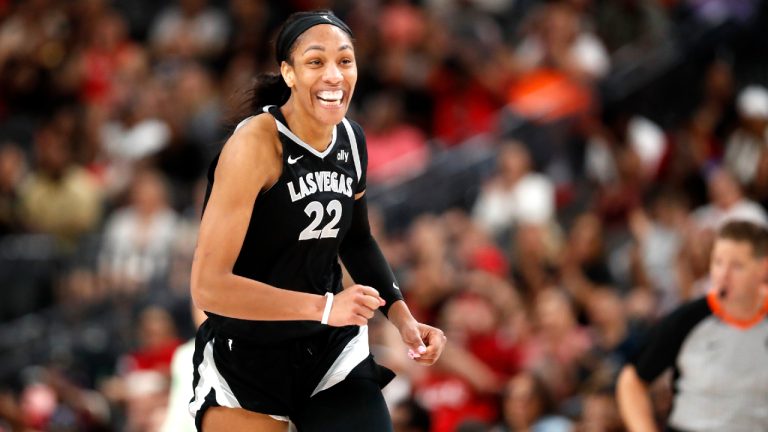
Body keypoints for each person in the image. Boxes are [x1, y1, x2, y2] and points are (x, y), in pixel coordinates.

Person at [189, 10, 446, 432]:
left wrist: (403, 319)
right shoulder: (254, 144)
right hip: (248, 353)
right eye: (315, 62)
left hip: (328, 351)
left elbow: (357, 240)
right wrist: (326, 307)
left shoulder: (351, 138)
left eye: (345, 61)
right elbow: (208, 286)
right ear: (288, 73)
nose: (334, 75)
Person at [616, 220, 768, 432]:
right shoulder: (690, 319)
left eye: (737, 266)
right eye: (718, 262)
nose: (723, 275)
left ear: (763, 268)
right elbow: (631, 380)